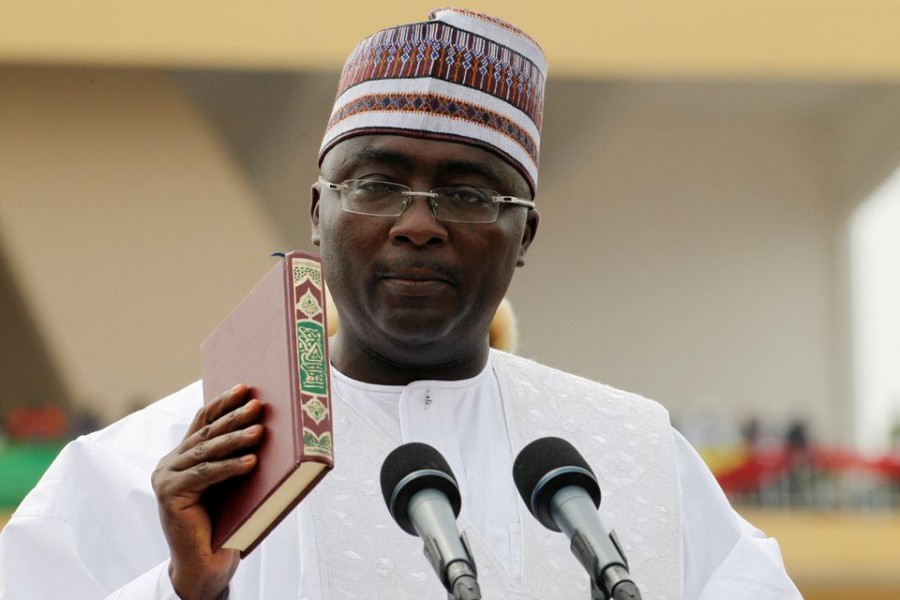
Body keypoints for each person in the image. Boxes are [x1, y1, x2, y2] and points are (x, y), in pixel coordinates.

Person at [0, 8, 802, 600]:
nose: (419, 225)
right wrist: (182, 591)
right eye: (378, 184)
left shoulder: (632, 455)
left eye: (468, 193)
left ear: (525, 235)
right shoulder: (164, 465)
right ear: (317, 212)